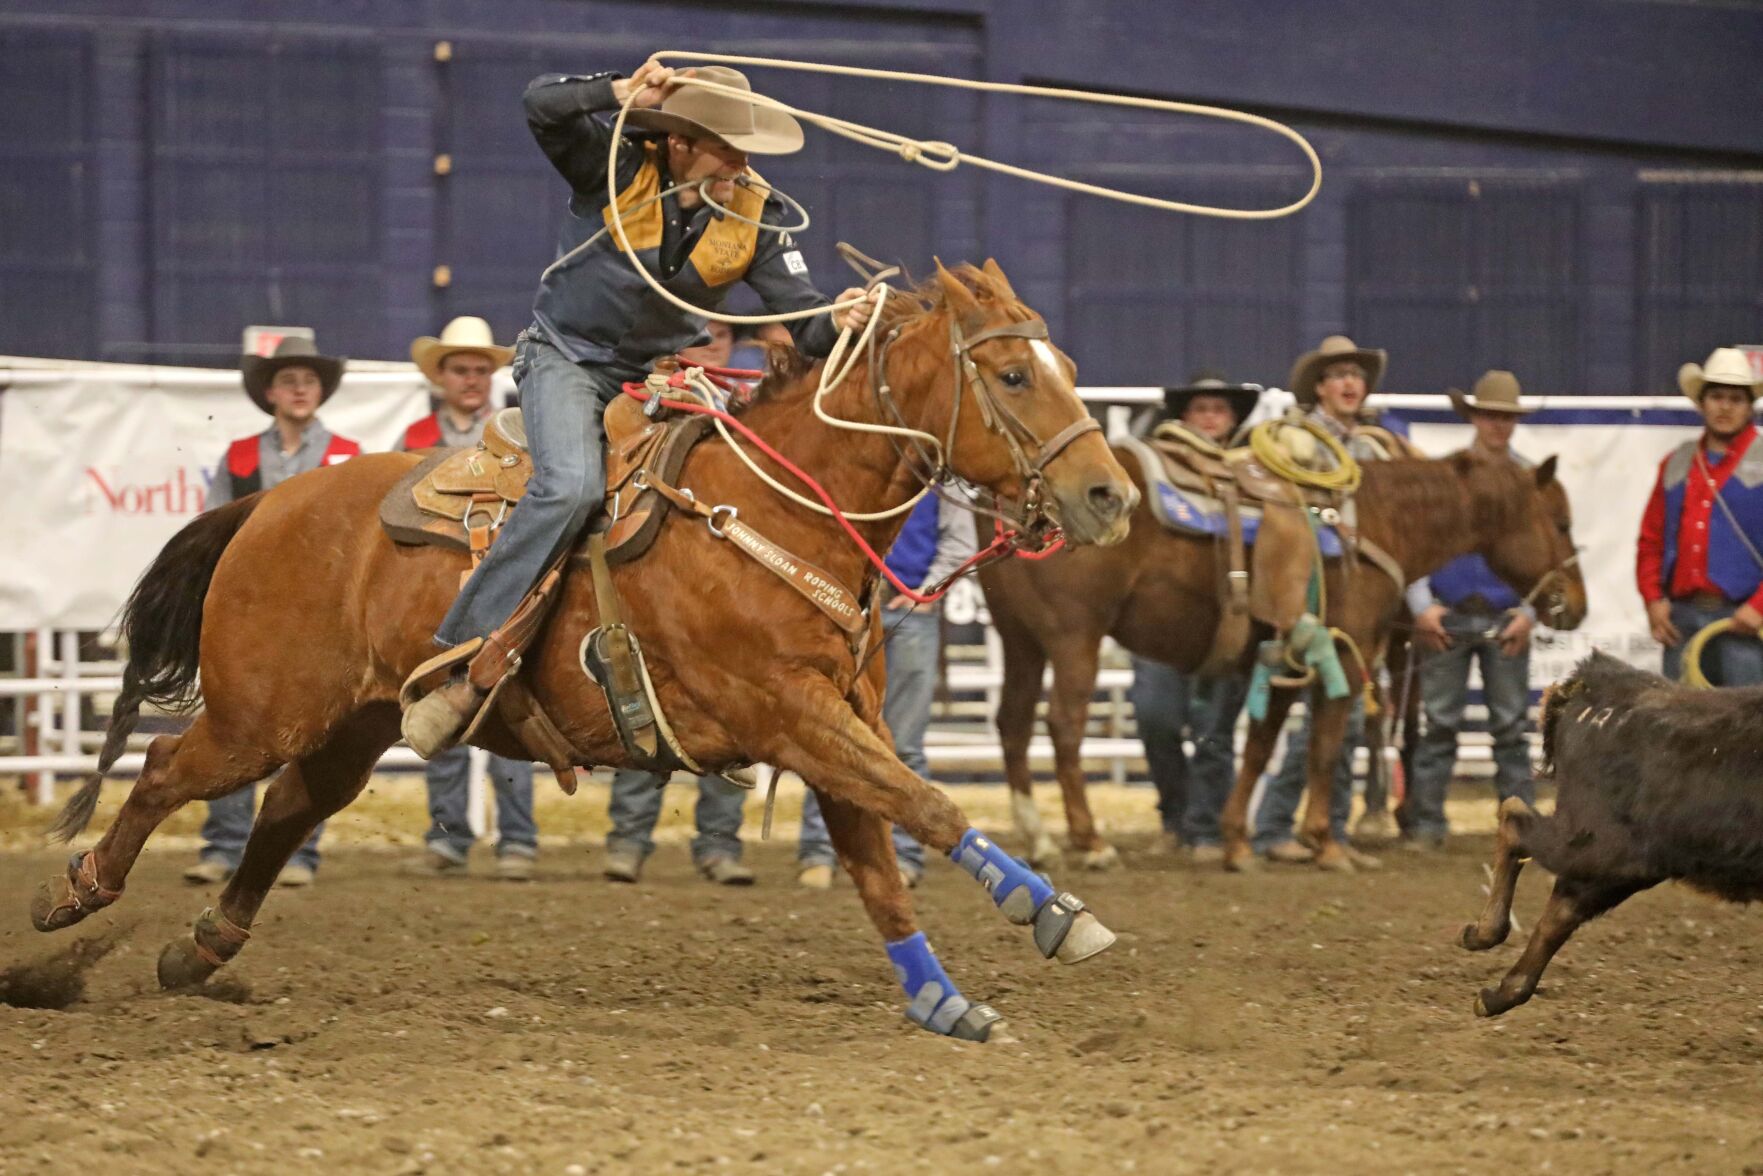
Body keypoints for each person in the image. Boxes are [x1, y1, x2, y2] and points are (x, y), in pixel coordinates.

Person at [399, 59, 874, 754]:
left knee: (725, 505)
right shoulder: (615, 166)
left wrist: (844, 317)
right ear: (678, 143)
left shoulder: (756, 213)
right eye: (725, 145)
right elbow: (539, 103)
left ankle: (704, 686)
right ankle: (461, 653)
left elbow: (805, 325)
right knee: (570, 488)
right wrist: (618, 94)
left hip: (663, 376)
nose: (740, 162)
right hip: (567, 360)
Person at [184, 336, 361, 888]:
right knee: (236, 725)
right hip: (255, 612)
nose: (300, 389)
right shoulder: (241, 457)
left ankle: (296, 853)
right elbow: (214, 530)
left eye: (308, 380)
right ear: (271, 391)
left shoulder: (350, 458)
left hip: (324, 615)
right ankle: (226, 845)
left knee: (314, 734)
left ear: (320, 390)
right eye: (289, 380)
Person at [1253, 336, 1412, 868]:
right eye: (1339, 375)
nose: (1350, 383)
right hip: (1314, 593)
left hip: (1360, 596)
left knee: (1343, 717)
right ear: (1320, 387)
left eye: (1357, 375)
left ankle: (1329, 830)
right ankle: (1280, 824)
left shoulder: (1370, 448)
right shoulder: (1298, 442)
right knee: (1322, 716)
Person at [399, 317, 541, 881]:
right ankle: (455, 838)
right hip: (435, 590)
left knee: (512, 710)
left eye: (481, 370)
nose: (473, 379)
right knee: (446, 707)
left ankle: (516, 839)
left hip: (502, 586)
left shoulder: (518, 434)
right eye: (462, 369)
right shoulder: (411, 444)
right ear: (443, 376)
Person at [796, 492, 978, 888]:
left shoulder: (934, 480)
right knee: (833, 733)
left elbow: (959, 543)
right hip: (855, 611)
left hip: (895, 609)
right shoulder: (926, 478)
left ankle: (866, 853)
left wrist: (928, 591)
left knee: (889, 740)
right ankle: (828, 850)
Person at [1401, 371, 1539, 851]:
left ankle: (1521, 831)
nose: (1499, 425)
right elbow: (1415, 545)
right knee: (1440, 723)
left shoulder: (1529, 480)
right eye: (1492, 416)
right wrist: (1422, 606)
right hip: (1451, 612)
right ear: (1476, 418)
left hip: (1505, 616)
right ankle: (1425, 826)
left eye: (1506, 417)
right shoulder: (1445, 478)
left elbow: (1546, 556)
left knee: (1509, 727)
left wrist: (1530, 613)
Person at [1127, 375, 1258, 864]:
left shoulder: (1254, 475)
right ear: (1183, 417)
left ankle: (1203, 827)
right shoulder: (1153, 473)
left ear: (1232, 420)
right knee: (1156, 718)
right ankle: (1177, 817)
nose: (1209, 417)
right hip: (1160, 621)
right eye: (1201, 408)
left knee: (1215, 730)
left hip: (1228, 622)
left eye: (1219, 410)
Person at [1637, 346, 1763, 687]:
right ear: (1702, 402)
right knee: (1681, 733)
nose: (1724, 407)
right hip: (1683, 618)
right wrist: (1653, 599)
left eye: (1735, 399)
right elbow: (1651, 539)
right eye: (1717, 396)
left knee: (1749, 733)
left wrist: (1759, 606)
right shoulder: (1676, 463)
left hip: (1746, 622)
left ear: (1749, 406)